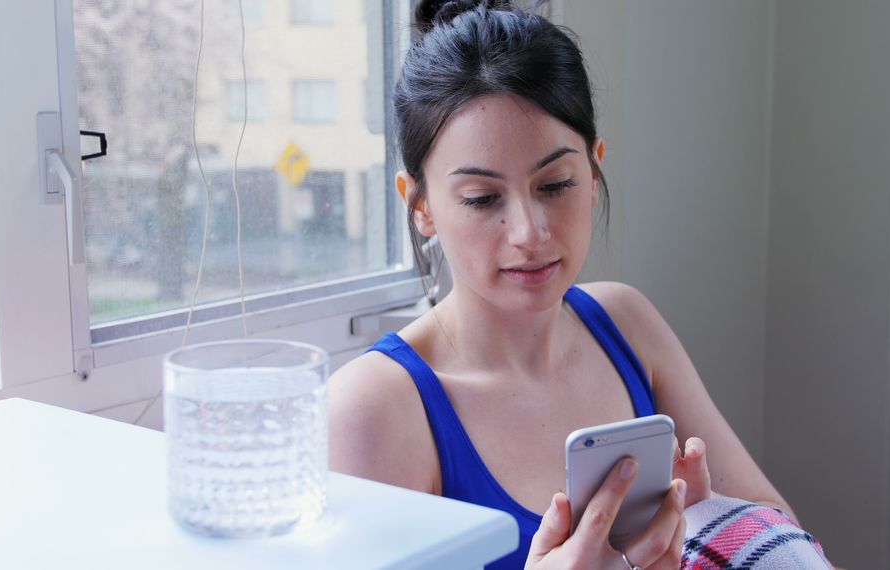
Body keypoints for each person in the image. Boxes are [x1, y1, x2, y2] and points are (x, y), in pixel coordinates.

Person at [329, 1, 814, 568]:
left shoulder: (625, 323)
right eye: (482, 199)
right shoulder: (373, 408)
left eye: (555, 184)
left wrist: (703, 533)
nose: (529, 233)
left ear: (593, 171)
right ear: (420, 207)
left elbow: (779, 534)